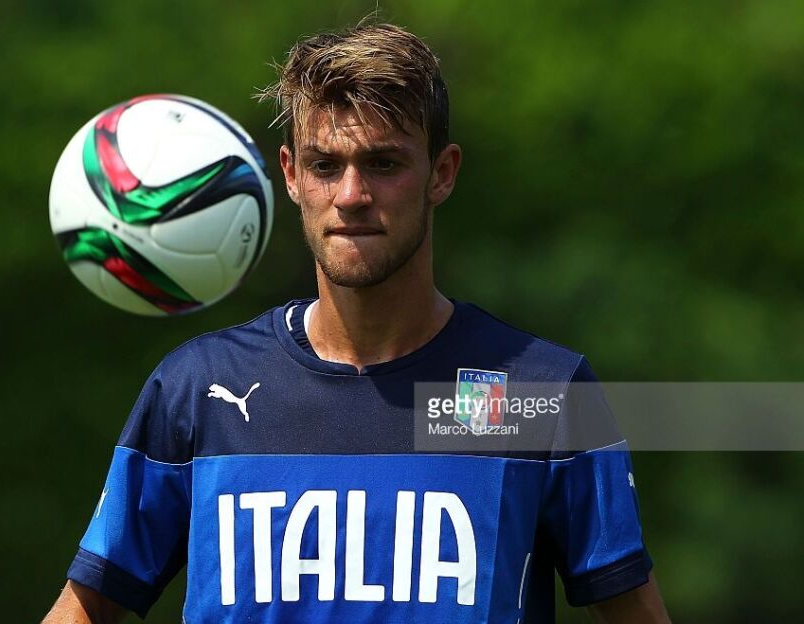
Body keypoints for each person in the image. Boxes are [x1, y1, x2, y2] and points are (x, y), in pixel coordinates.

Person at [44, 22, 671, 624]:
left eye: (383, 164)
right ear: (292, 175)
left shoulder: (538, 393)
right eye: (325, 165)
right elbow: (86, 609)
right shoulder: (200, 388)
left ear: (442, 173)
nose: (351, 195)